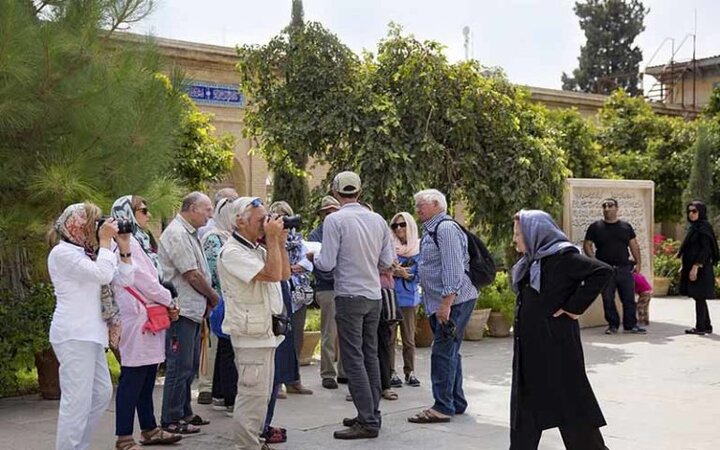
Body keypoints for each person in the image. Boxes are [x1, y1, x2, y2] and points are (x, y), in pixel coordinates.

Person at [509, 210, 612, 450]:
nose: (514, 239)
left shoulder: (563, 257)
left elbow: (602, 271)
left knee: (573, 411)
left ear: (535, 233)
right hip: (530, 351)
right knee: (524, 414)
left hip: (558, 349)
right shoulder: (531, 262)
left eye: (518, 234)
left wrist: (574, 307)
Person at [311, 171, 395, 440]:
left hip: (348, 295)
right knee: (370, 354)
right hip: (373, 296)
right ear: (360, 192)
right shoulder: (378, 220)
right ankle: (371, 413)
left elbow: (326, 263)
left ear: (336, 192)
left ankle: (367, 420)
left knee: (353, 358)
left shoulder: (335, 220)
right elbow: (387, 262)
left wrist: (312, 256)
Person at [48, 202, 134, 450]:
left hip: (91, 335)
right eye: (94, 224)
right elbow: (103, 275)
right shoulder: (62, 253)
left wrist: (124, 248)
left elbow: (124, 280)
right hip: (74, 333)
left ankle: (78, 446)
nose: (98, 229)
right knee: (77, 401)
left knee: (100, 394)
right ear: (78, 226)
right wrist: (106, 244)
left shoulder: (90, 253)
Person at [110, 196, 182, 449]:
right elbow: (142, 280)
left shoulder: (138, 241)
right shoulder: (122, 242)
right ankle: (124, 436)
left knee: (147, 375)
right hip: (137, 316)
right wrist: (168, 298)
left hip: (148, 314)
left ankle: (150, 428)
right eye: (143, 210)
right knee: (133, 376)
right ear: (127, 212)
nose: (148, 215)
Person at [218, 197, 289, 450]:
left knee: (261, 399)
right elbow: (270, 274)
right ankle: (246, 446)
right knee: (251, 400)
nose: (265, 224)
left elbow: (283, 274)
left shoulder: (253, 248)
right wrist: (271, 238)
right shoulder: (232, 252)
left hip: (264, 333)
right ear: (240, 221)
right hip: (250, 336)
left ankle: (256, 442)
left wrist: (278, 242)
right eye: (261, 220)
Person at [407, 189, 477, 424]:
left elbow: (453, 268)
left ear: (437, 204)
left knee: (442, 353)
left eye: (421, 205)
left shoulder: (445, 229)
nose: (417, 210)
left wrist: (446, 302)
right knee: (450, 351)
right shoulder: (433, 229)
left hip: (452, 301)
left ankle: (442, 406)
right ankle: (455, 402)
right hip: (446, 301)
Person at [158, 192, 218, 434]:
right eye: (207, 209)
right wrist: (214, 297)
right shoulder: (176, 234)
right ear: (192, 208)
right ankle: (170, 418)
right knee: (179, 365)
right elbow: (191, 274)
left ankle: (184, 411)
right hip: (181, 311)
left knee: (190, 365)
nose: (210, 214)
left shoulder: (189, 233)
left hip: (193, 309)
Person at [197, 188, 239, 405]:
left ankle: (220, 391)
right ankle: (209, 388)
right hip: (219, 300)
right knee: (215, 346)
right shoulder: (213, 237)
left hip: (231, 300)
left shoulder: (229, 236)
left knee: (225, 348)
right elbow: (215, 272)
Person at [268, 201, 313, 395]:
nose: (283, 221)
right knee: (279, 336)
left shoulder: (299, 240)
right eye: (277, 216)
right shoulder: (268, 238)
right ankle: (277, 382)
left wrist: (298, 266)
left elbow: (307, 262)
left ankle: (294, 380)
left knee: (297, 337)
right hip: (278, 289)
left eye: (285, 216)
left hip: (298, 292)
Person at [583, 198, 646, 335]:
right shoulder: (595, 227)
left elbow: (634, 245)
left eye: (610, 205)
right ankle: (613, 325)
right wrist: (595, 262)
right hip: (605, 270)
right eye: (604, 206)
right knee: (607, 299)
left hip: (624, 268)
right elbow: (587, 244)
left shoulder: (625, 226)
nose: (607, 208)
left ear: (617, 208)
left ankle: (631, 325)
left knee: (629, 298)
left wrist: (638, 263)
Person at [307, 195, 344, 389]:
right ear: (322, 215)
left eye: (334, 211)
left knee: (347, 332)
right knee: (329, 332)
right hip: (327, 288)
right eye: (327, 212)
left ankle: (345, 372)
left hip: (345, 287)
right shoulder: (316, 235)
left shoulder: (345, 230)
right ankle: (328, 373)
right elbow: (320, 267)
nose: (330, 215)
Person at [389, 212, 421, 388]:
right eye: (395, 226)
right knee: (390, 339)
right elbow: (384, 268)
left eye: (402, 225)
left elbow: (419, 273)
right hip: (392, 298)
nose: (399, 228)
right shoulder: (389, 247)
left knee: (409, 339)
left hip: (409, 299)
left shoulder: (418, 247)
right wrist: (398, 272)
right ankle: (391, 372)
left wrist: (402, 273)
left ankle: (410, 372)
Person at [678, 201, 719, 335]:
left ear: (701, 212)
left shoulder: (704, 227)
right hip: (692, 265)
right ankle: (706, 325)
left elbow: (706, 249)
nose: (691, 214)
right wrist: (684, 266)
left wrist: (696, 267)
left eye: (694, 211)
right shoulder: (695, 227)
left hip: (700, 267)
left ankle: (701, 327)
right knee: (698, 297)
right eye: (689, 211)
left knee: (699, 296)